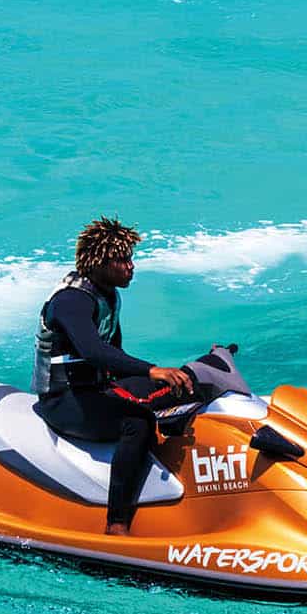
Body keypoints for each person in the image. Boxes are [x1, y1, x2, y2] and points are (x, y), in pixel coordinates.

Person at [33, 218, 192, 536]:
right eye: (122, 260)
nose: (130, 267)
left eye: (130, 259)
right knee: (136, 424)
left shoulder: (107, 295)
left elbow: (115, 356)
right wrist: (151, 370)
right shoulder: (71, 301)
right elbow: (93, 351)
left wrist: (165, 378)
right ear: (98, 262)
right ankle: (117, 522)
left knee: (185, 384)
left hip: (94, 388)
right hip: (62, 400)